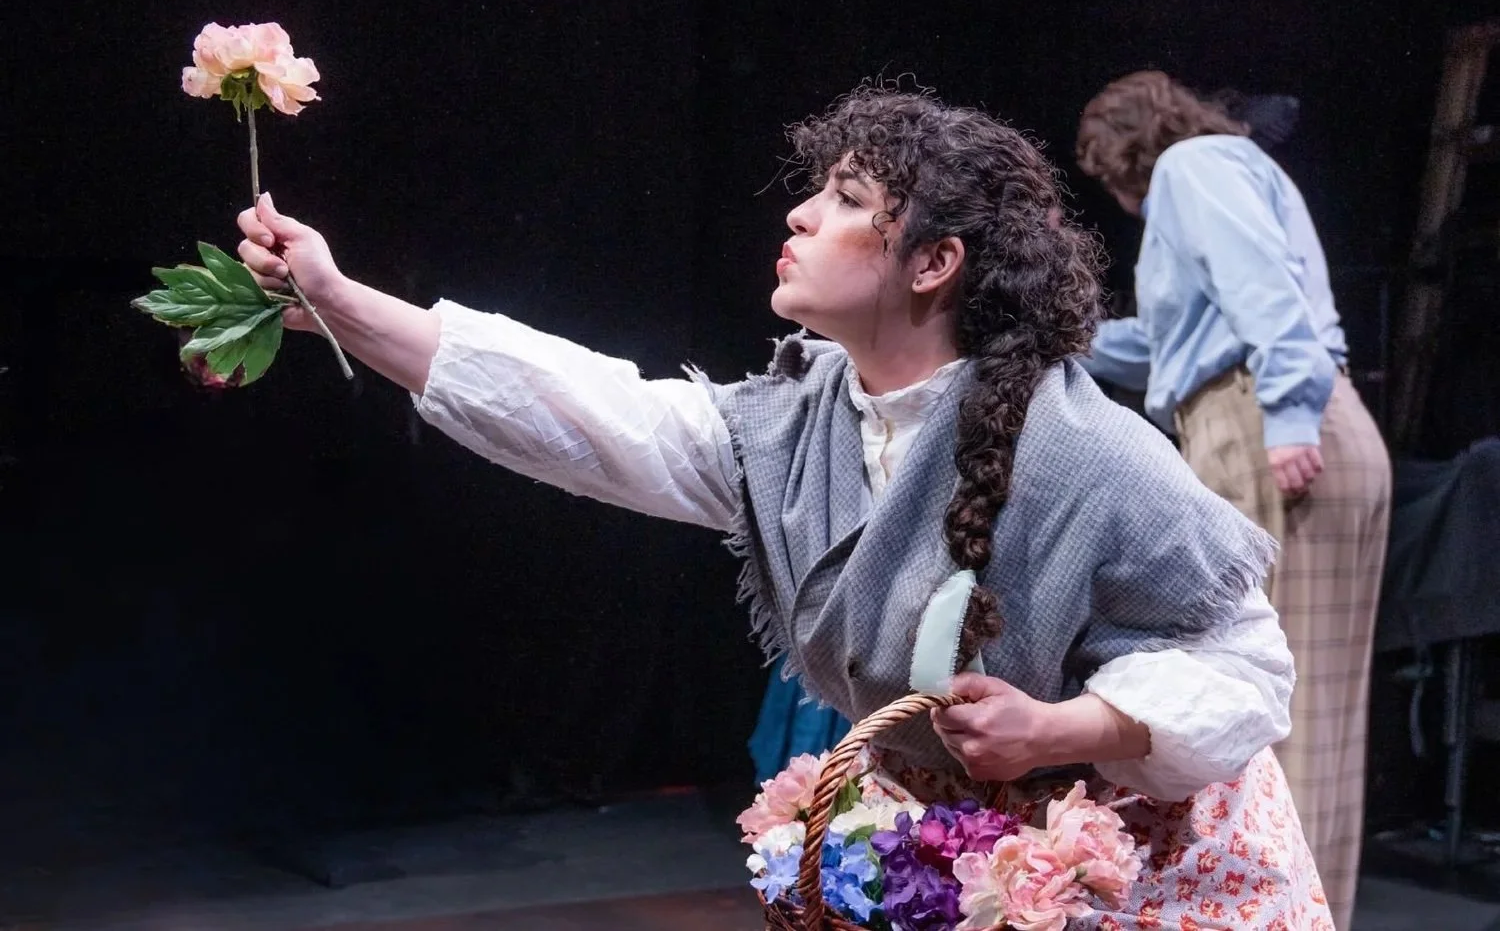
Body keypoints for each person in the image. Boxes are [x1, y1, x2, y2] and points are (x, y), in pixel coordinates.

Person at [236, 86, 1331, 928]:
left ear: (934, 262)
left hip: (1154, 869)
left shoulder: (1085, 449)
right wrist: (342, 303)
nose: (801, 215)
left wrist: (1066, 727)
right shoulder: (802, 422)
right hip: (978, 859)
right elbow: (600, 415)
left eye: (848, 201)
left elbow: (1245, 667)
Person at [1076, 70, 1392, 930]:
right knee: (1308, 711)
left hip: (1267, 422)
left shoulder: (1194, 167)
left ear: (1123, 155)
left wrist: (1288, 416)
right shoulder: (1221, 169)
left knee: (1271, 710)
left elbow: (1263, 293)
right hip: (1283, 415)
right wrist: (1057, 336)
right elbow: (1168, 344)